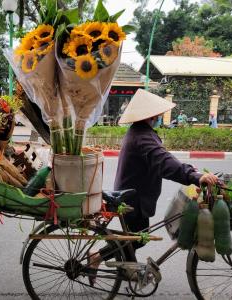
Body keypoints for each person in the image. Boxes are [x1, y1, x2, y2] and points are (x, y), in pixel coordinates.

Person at [87, 89, 218, 284]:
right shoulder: (143, 136)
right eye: (157, 114)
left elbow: (164, 158)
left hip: (133, 193)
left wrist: (192, 171)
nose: (158, 116)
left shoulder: (141, 132)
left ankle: (125, 268)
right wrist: (194, 176)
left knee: (134, 237)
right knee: (137, 238)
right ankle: (97, 257)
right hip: (134, 197)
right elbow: (165, 163)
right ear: (151, 115)